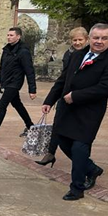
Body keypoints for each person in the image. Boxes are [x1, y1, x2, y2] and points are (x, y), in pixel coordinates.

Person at [42, 23, 108, 200]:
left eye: (104, 38)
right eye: (96, 38)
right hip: (67, 109)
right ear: (90, 38)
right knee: (63, 142)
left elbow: (105, 88)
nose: (99, 41)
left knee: (79, 148)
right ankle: (92, 169)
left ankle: (77, 188)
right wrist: (49, 100)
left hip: (89, 112)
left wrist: (76, 96)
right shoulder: (77, 56)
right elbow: (63, 80)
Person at [36, 27, 88, 167]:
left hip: (82, 102)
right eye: (74, 40)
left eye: (80, 40)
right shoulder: (69, 55)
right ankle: (51, 153)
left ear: (86, 40)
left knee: (76, 140)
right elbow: (62, 79)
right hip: (65, 98)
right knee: (58, 127)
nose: (77, 43)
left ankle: (88, 167)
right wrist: (49, 100)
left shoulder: (90, 56)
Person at [0, 27, 37, 141]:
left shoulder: (23, 52)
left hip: (15, 83)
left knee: (2, 105)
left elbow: (29, 71)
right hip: (6, 82)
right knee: (17, 104)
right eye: (8, 35)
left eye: (11, 35)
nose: (9, 37)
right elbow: (2, 66)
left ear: (18, 36)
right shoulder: (6, 50)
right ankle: (31, 126)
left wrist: (32, 89)